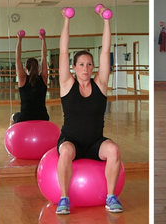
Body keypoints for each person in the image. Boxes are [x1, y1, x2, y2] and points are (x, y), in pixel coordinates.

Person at [55, 5, 123, 215]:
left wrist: (106, 20)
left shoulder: (100, 84)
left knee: (114, 150)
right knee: (65, 152)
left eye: (89, 64)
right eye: (81, 64)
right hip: (71, 140)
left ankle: (111, 196)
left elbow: (105, 51)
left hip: (95, 142)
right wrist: (67, 21)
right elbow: (64, 52)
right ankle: (64, 198)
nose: (85, 69)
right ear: (74, 67)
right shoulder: (67, 84)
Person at [9, 29, 50, 126]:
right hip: (43, 116)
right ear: (38, 67)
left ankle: (9, 140)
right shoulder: (43, 78)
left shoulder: (23, 79)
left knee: (12, 117)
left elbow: (17, 58)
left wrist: (19, 39)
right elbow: (44, 56)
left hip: (25, 117)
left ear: (26, 68)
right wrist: (43, 39)